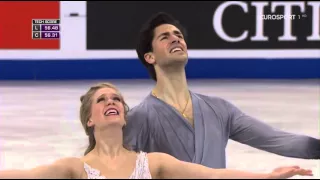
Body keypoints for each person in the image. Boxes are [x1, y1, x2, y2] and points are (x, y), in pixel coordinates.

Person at [123, 12, 320, 169]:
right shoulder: (139, 118)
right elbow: (109, 165)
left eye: (178, 36)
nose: (175, 39)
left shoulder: (220, 110)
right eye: (165, 37)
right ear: (150, 57)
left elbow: (278, 140)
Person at [0, 82, 314, 179]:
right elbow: (21, 176)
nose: (112, 102)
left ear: (125, 114)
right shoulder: (74, 169)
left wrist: (269, 177)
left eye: (117, 99)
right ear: (90, 120)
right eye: (102, 100)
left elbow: (213, 176)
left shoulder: (152, 162)